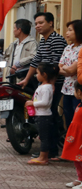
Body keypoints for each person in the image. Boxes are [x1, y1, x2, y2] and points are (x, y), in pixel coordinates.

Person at [18, 12, 68, 160]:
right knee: (46, 114)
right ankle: (48, 149)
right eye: (36, 24)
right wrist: (26, 79)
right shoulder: (43, 41)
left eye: (41, 23)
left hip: (55, 84)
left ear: (51, 23)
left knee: (49, 115)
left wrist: (51, 84)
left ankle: (51, 151)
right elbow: (35, 62)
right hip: (44, 84)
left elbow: (56, 65)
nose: (38, 26)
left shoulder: (57, 40)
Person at [26, 63, 60, 165]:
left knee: (44, 138)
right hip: (41, 115)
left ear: (44, 74)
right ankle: (43, 156)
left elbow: (45, 103)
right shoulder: (43, 86)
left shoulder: (46, 88)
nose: (36, 75)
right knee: (43, 137)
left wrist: (33, 103)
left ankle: (43, 157)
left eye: (38, 73)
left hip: (44, 116)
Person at [59, 20, 82, 129]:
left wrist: (67, 68)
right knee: (68, 118)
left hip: (78, 90)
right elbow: (59, 67)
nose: (67, 33)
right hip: (66, 89)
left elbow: (72, 70)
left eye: (70, 30)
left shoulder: (81, 49)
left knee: (78, 118)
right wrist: (67, 69)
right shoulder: (68, 48)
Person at [62, 82, 82, 189]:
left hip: (80, 137)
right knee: (77, 158)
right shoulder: (79, 105)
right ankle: (80, 178)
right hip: (76, 136)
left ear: (79, 92)